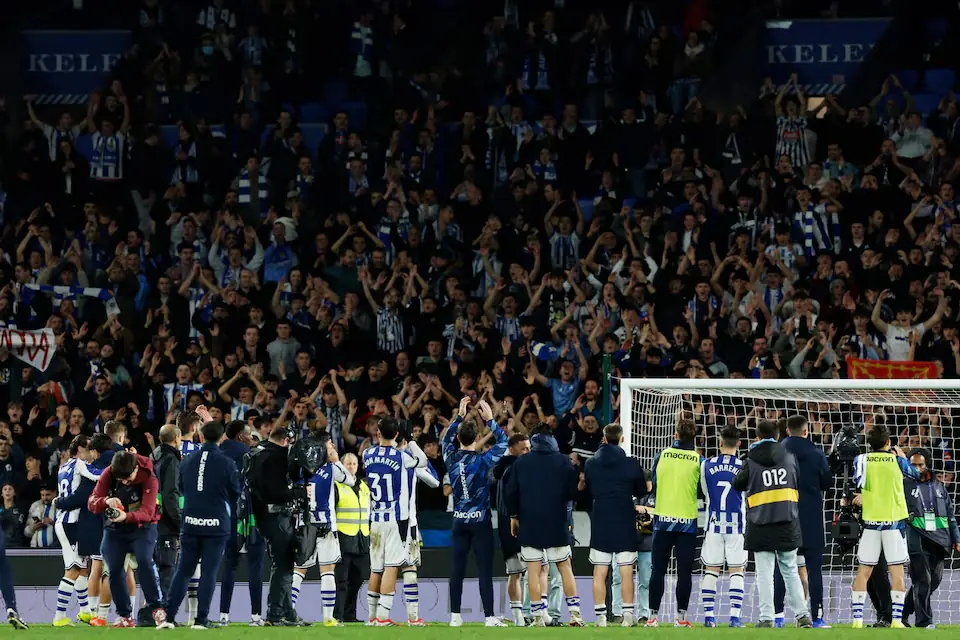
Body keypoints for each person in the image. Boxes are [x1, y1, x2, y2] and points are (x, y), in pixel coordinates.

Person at [158, 420, 240, 629]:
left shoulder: (187, 460)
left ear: (201, 437)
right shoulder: (226, 462)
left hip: (191, 522)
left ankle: (168, 618)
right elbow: (235, 493)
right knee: (209, 572)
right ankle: (200, 620)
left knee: (184, 570)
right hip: (216, 523)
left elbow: (181, 487)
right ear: (221, 437)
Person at [732, 419, 812, 628]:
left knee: (765, 572)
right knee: (790, 570)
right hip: (787, 520)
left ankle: (766, 617)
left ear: (757, 437)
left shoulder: (750, 459)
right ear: (778, 436)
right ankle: (802, 615)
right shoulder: (789, 457)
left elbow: (737, 484)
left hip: (760, 522)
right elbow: (797, 481)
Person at [504, 421, 583, 627]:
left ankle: (538, 616)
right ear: (552, 438)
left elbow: (510, 492)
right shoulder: (564, 461)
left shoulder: (522, 462)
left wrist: (514, 516)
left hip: (530, 521)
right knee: (565, 566)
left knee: (533, 568)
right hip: (557, 521)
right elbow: (572, 493)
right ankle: (575, 614)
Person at [443, 397, 508, 627]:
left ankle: (455, 616)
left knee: (457, 568)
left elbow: (445, 439)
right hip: (480, 522)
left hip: (459, 521)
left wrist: (460, 415)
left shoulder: (449, 457)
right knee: (484, 570)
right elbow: (503, 441)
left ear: (459, 438)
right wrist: (490, 419)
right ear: (478, 439)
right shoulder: (484, 460)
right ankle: (489, 617)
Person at [848, 425, 918, 628]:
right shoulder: (897, 461)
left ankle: (857, 621)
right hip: (894, 522)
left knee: (863, 571)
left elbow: (857, 481)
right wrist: (903, 457)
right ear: (889, 443)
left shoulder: (861, 460)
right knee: (896, 572)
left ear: (869, 444)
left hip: (871, 522)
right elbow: (915, 476)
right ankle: (897, 620)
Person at [87, 451, 167, 627]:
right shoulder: (109, 473)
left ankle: (156, 608)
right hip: (115, 529)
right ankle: (125, 615)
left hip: (143, 527)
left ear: (136, 468)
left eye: (128, 478)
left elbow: (147, 512)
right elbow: (92, 502)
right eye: (121, 479)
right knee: (113, 569)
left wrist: (126, 516)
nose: (124, 482)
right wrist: (106, 501)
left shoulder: (149, 477)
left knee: (145, 560)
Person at [362, 416, 428, 626]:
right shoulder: (401, 457)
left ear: (378, 433)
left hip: (375, 519)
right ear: (397, 435)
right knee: (391, 566)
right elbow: (423, 461)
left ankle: (372, 617)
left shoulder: (366, 454)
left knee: (375, 568)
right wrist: (412, 441)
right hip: (394, 520)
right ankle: (383, 616)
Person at [581, 423, 646, 628]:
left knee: (600, 570)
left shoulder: (591, 463)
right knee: (626, 570)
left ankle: (601, 617)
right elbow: (642, 491)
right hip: (625, 519)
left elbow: (589, 489)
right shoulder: (631, 463)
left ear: (604, 438)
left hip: (601, 519)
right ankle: (627, 616)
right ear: (622, 439)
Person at [289, 433, 355, 627]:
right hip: (326, 524)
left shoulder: (300, 469)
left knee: (299, 571)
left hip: (304, 524)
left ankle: (289, 613)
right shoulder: (330, 467)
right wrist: (336, 461)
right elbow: (351, 481)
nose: (333, 446)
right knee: (327, 572)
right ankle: (328, 618)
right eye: (330, 444)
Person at [774, 415, 832, 628]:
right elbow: (827, 482)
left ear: (787, 430)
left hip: (783, 515)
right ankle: (817, 617)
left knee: (782, 567)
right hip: (811, 519)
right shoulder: (816, 453)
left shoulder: (777, 451)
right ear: (806, 431)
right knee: (815, 569)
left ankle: (778, 617)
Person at [245, 426, 307, 626]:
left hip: (262, 515)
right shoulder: (275, 457)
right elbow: (277, 493)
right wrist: (300, 493)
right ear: (285, 441)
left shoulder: (257, 452)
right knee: (283, 564)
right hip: (276, 514)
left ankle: (289, 613)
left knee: (283, 563)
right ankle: (274, 614)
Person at [646, 418, 701, 627]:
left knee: (657, 569)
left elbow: (655, 484)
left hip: (662, 521)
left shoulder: (661, 456)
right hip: (687, 523)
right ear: (694, 438)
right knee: (684, 571)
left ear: (675, 435)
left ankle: (652, 617)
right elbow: (699, 490)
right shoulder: (698, 460)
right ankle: (681, 618)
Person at [53, 433, 110, 626]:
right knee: (74, 570)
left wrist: (58, 502)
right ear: (80, 449)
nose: (91, 453)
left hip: (62, 520)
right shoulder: (79, 464)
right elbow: (98, 475)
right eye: (88, 448)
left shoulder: (63, 466)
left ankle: (85, 610)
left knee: (81, 567)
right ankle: (59, 616)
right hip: (71, 521)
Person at [901, 448, 960, 629]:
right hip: (916, 535)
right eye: (913, 465)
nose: (917, 468)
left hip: (940, 538)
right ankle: (924, 622)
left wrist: (956, 537)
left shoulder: (939, 486)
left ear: (927, 465)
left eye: (920, 464)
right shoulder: (903, 484)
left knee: (934, 580)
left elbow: (950, 514)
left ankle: (902, 612)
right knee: (922, 580)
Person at [218, 420, 266, 626]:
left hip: (228, 516)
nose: (252, 437)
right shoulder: (254, 454)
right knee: (255, 565)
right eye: (249, 434)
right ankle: (256, 616)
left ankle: (223, 616)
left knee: (229, 563)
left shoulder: (218, 454)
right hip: (253, 515)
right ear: (241, 437)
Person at [699, 425, 746, 628]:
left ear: (720, 442)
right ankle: (734, 617)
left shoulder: (706, 465)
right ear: (739, 444)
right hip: (737, 526)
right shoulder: (745, 466)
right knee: (736, 571)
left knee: (711, 570)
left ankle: (709, 617)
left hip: (714, 525)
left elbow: (704, 492)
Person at [492, 433, 531, 626]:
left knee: (515, 572)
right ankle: (533, 613)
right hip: (518, 524)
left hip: (505, 525)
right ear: (513, 448)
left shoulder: (501, 468)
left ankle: (519, 617)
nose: (528, 452)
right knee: (534, 569)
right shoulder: (516, 468)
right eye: (524, 448)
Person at [333, 452, 369, 623]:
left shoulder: (363, 485)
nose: (352, 467)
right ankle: (338, 615)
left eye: (354, 464)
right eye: (348, 464)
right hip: (344, 536)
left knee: (359, 577)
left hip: (362, 537)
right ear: (342, 465)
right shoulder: (337, 485)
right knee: (342, 580)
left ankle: (349, 614)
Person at [151, 424, 182, 598]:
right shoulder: (171, 460)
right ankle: (165, 613)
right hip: (166, 523)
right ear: (177, 438)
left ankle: (156, 609)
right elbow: (170, 494)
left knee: (158, 569)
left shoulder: (154, 456)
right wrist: (180, 522)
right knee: (167, 569)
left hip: (154, 519)